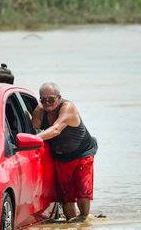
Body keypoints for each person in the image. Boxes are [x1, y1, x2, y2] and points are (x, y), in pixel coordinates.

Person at [32, 82, 97, 222]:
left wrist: (33, 138)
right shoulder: (39, 111)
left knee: (82, 191)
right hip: (61, 157)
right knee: (66, 196)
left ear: (59, 97)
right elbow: (33, 128)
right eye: (43, 100)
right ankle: (70, 224)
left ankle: (84, 219)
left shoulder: (67, 108)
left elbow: (55, 130)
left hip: (82, 153)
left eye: (51, 99)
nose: (47, 103)